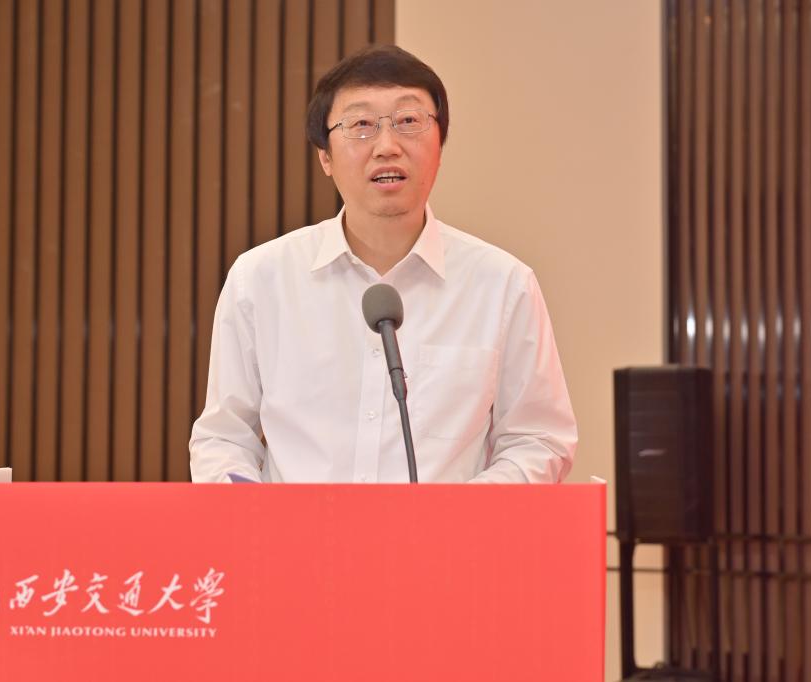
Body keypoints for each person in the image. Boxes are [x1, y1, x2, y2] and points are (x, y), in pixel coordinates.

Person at [189, 45, 576, 483]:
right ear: (325, 157)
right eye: (361, 125)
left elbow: (538, 440)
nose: (387, 146)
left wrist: (461, 512)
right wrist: (256, 513)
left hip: (448, 530)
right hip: (297, 530)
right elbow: (223, 438)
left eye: (409, 121)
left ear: (440, 145)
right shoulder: (260, 280)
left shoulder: (503, 285)